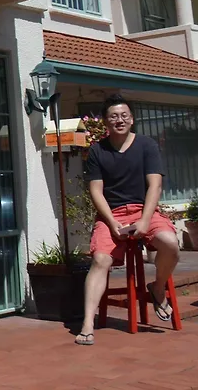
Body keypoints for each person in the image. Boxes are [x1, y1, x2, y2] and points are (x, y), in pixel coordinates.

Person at [76, 95, 180, 346]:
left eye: (124, 115)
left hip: (144, 210)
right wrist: (112, 223)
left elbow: (155, 185)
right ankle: (87, 323)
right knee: (100, 260)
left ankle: (158, 287)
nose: (119, 120)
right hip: (111, 214)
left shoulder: (147, 145)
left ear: (132, 119)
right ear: (105, 121)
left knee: (170, 243)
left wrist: (144, 220)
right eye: (113, 116)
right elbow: (96, 191)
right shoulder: (97, 150)